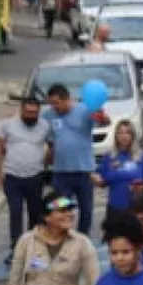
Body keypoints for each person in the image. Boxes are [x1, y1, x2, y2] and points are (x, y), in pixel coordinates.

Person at [1, 192, 100, 285]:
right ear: (46, 217)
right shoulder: (27, 242)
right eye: (62, 211)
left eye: (70, 210)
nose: (69, 214)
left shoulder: (82, 243)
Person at [0, 97, 49, 261]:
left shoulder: (45, 126)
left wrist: (44, 166)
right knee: (15, 212)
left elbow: (51, 148)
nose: (31, 115)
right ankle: (16, 248)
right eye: (28, 112)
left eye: (35, 113)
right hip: (13, 177)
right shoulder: (7, 125)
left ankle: (33, 248)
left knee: (35, 213)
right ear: (21, 110)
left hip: (35, 177)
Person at [43, 84, 102, 235]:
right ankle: (63, 237)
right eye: (51, 103)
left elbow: (104, 121)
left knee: (86, 209)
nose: (54, 107)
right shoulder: (48, 115)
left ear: (66, 99)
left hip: (84, 171)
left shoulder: (84, 110)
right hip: (61, 172)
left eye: (56, 103)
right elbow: (49, 139)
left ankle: (83, 238)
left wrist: (102, 115)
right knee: (61, 209)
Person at [94, 120, 143, 227]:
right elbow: (101, 181)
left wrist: (142, 188)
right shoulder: (109, 157)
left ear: (132, 136)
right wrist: (91, 176)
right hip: (114, 208)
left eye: (127, 132)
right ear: (116, 136)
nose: (124, 136)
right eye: (120, 132)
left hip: (136, 209)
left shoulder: (142, 156)